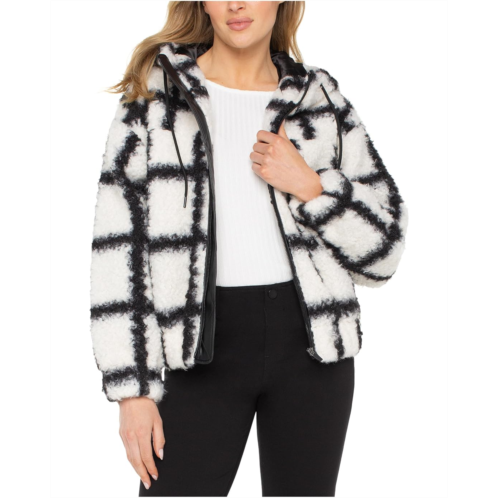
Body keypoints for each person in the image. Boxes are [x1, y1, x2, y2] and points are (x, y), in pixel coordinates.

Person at [90, 1, 408, 496]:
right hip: (198, 350)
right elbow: (117, 245)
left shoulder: (319, 97)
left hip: (310, 349)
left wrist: (311, 187)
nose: (236, 4)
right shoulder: (155, 98)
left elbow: (385, 253)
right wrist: (132, 390)